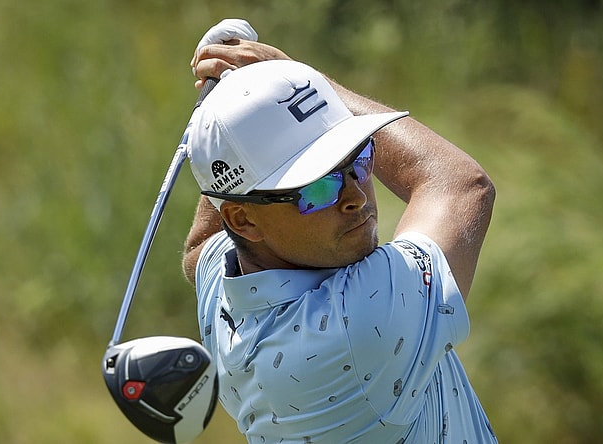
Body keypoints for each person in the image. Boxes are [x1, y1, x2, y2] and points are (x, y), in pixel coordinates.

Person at [182, 20, 497, 443]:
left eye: (360, 158)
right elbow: (461, 185)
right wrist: (312, 82)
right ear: (244, 220)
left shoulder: (227, 281)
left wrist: (231, 113)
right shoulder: (354, 329)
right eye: (317, 186)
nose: (356, 197)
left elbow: (200, 248)